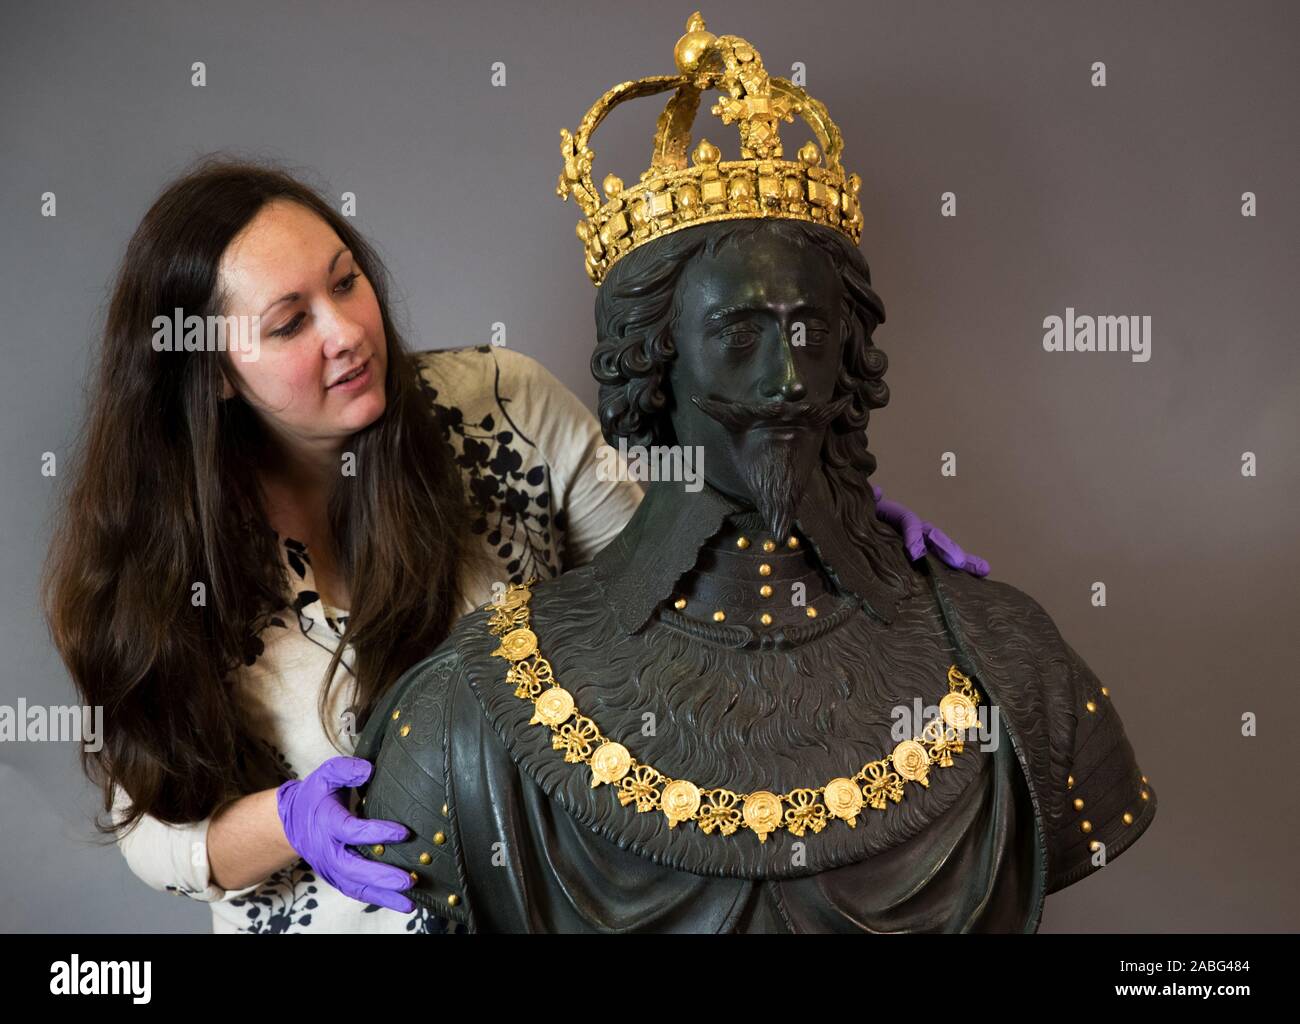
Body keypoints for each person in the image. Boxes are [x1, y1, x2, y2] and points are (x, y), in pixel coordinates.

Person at [41, 157, 984, 934]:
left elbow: (665, 577)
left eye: (346, 281)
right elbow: (153, 838)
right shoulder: (156, 564)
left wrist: (813, 520)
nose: (347, 332)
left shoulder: (501, 406)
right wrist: (290, 825)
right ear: (212, 376)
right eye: (290, 323)